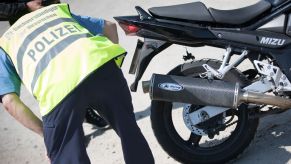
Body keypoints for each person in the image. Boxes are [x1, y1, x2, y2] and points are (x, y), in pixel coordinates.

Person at [0, 1, 155, 164]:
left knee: (67, 155)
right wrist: (109, 74)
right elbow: (109, 27)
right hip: (103, 69)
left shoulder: (6, 44)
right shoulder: (56, 12)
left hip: (59, 93)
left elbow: (9, 101)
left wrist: (45, 134)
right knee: (129, 131)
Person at [0, 0, 109, 128]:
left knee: (71, 59)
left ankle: (86, 110)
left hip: (50, 12)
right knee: (48, 74)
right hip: (25, 27)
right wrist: (25, 6)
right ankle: (72, 124)